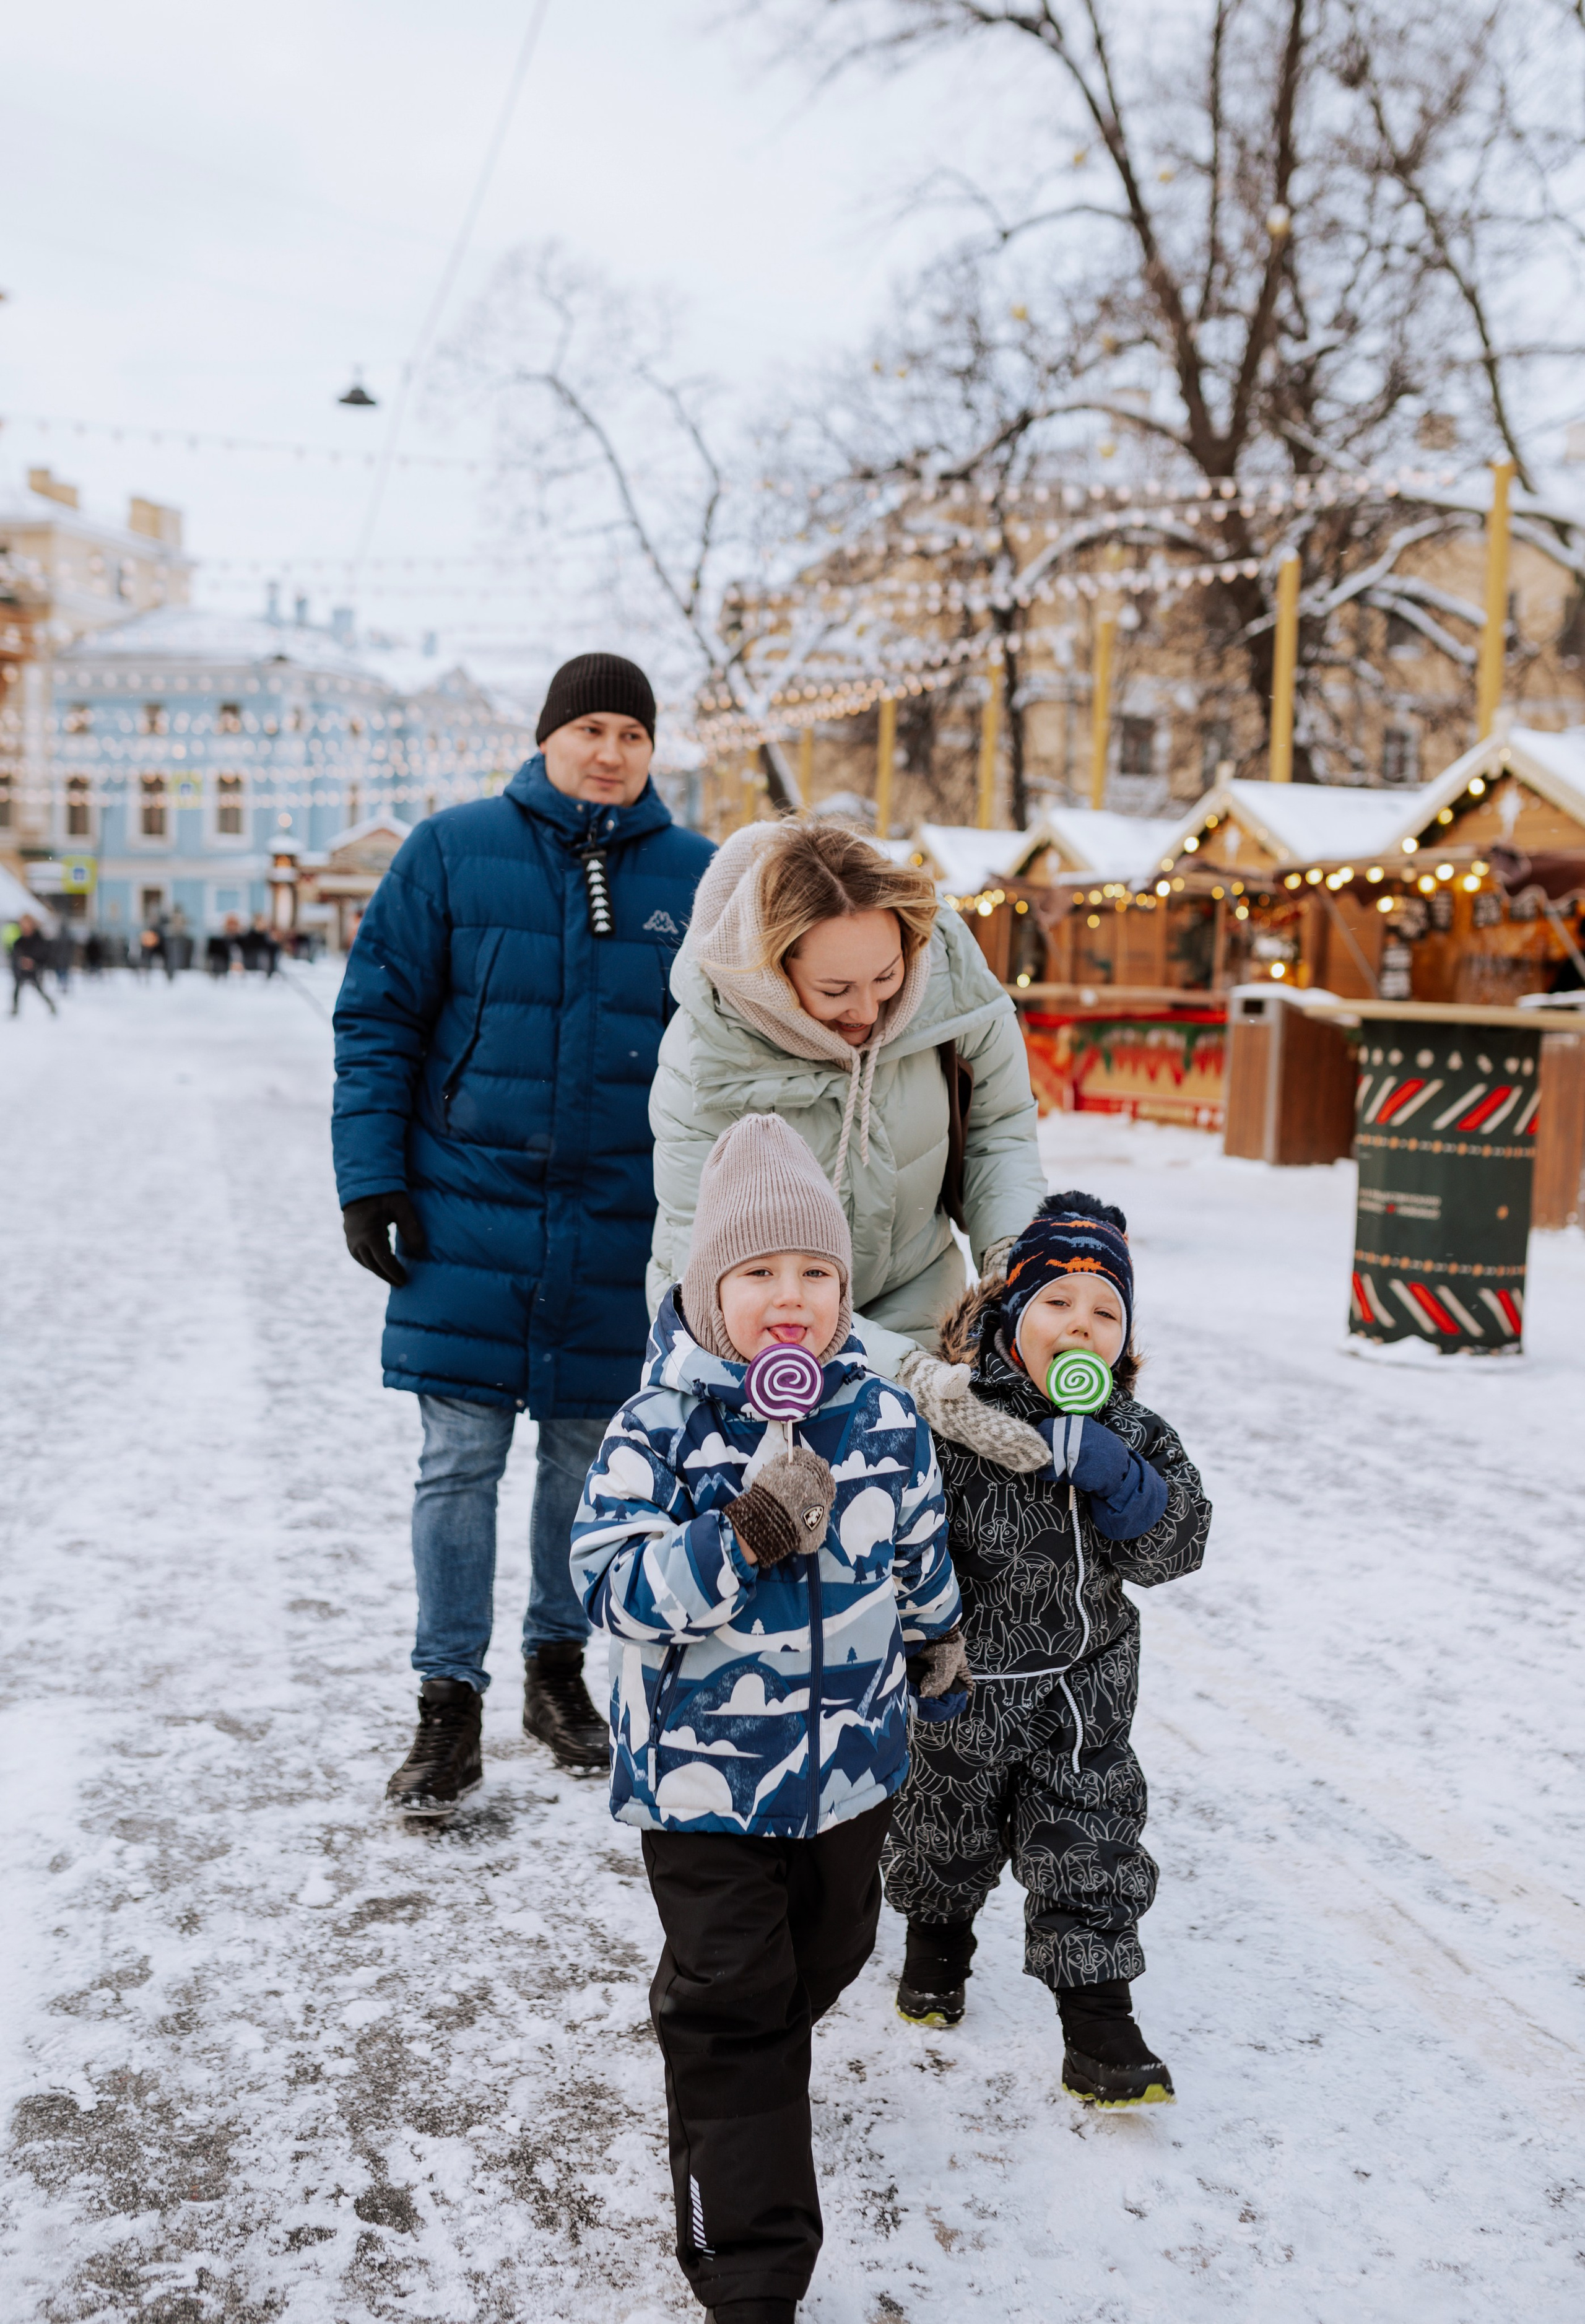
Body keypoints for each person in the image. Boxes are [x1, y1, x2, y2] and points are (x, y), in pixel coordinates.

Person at [571, 1114, 966, 2323]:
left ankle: (725, 2037)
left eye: (813, 1272)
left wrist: (937, 1636)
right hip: (700, 1785)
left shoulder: (882, 1419)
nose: (788, 1297)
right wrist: (741, 1532)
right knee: (739, 2012)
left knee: (827, 1952)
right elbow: (612, 1587)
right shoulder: (659, 1427)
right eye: (757, 1272)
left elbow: (916, 1548)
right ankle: (750, 2268)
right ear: (710, 1293)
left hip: (850, 1773)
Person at [332, 654, 714, 1813]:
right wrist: (371, 1178)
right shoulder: (451, 850)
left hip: (622, 1220)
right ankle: (446, 1703)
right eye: (590, 727)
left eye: (632, 734)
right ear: (547, 736)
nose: (610, 751)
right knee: (459, 1459)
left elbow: (730, 1049)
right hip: (465, 1204)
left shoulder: (699, 875)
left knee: (588, 1460)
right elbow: (379, 1018)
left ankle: (558, 1671)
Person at [882, 1192, 1212, 2107]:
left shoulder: (1133, 1432)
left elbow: (1179, 1548)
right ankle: (935, 1947)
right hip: (962, 1684)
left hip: (1081, 1693)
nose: (1081, 1326)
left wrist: (1125, 1481)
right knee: (942, 1833)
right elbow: (901, 1538)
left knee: (1089, 1842)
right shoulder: (956, 1422)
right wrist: (916, 1644)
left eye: (1106, 1312)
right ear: (1007, 1314)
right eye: (1057, 1303)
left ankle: (1101, 2027)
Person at [649, 819, 1050, 1463]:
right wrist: (905, 1373)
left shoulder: (950, 983)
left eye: (886, 977)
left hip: (921, 1292)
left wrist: (1017, 1262)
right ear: (772, 972)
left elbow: (998, 1131)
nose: (867, 1011)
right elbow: (697, 1269)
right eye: (835, 990)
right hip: (761, 1336)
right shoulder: (706, 1056)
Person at [9, 915, 58, 1016]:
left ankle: (51, 1006)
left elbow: (44, 954)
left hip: (35, 970)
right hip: (22, 970)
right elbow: (14, 955)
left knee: (39, 989)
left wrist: (33, 962)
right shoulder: (20, 940)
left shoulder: (39, 939)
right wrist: (21, 961)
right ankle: (15, 1009)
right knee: (17, 989)